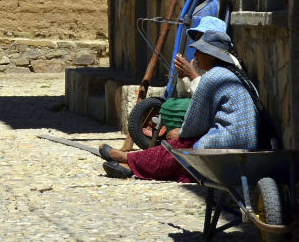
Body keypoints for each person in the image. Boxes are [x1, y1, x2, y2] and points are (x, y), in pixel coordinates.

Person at [99, 30, 261, 181]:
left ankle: (129, 160)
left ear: (211, 56)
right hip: (248, 145)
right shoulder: (235, 75)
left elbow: (194, 125)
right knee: (179, 150)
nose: (195, 54)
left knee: (178, 146)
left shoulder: (212, 77)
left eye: (200, 51)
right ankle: (129, 164)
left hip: (225, 144)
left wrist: (180, 132)